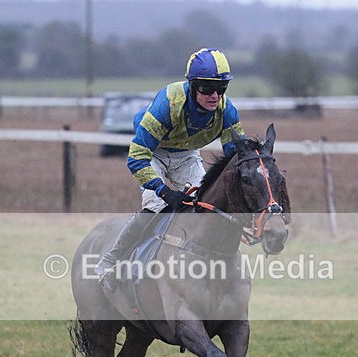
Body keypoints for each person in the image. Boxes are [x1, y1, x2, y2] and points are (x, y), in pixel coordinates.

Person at [95, 47, 246, 291]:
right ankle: (110, 261)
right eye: (207, 88)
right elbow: (136, 158)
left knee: (205, 204)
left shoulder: (227, 111)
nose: (215, 95)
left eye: (221, 88)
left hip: (186, 155)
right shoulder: (169, 102)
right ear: (194, 85)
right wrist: (164, 192)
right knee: (156, 207)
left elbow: (235, 157)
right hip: (152, 152)